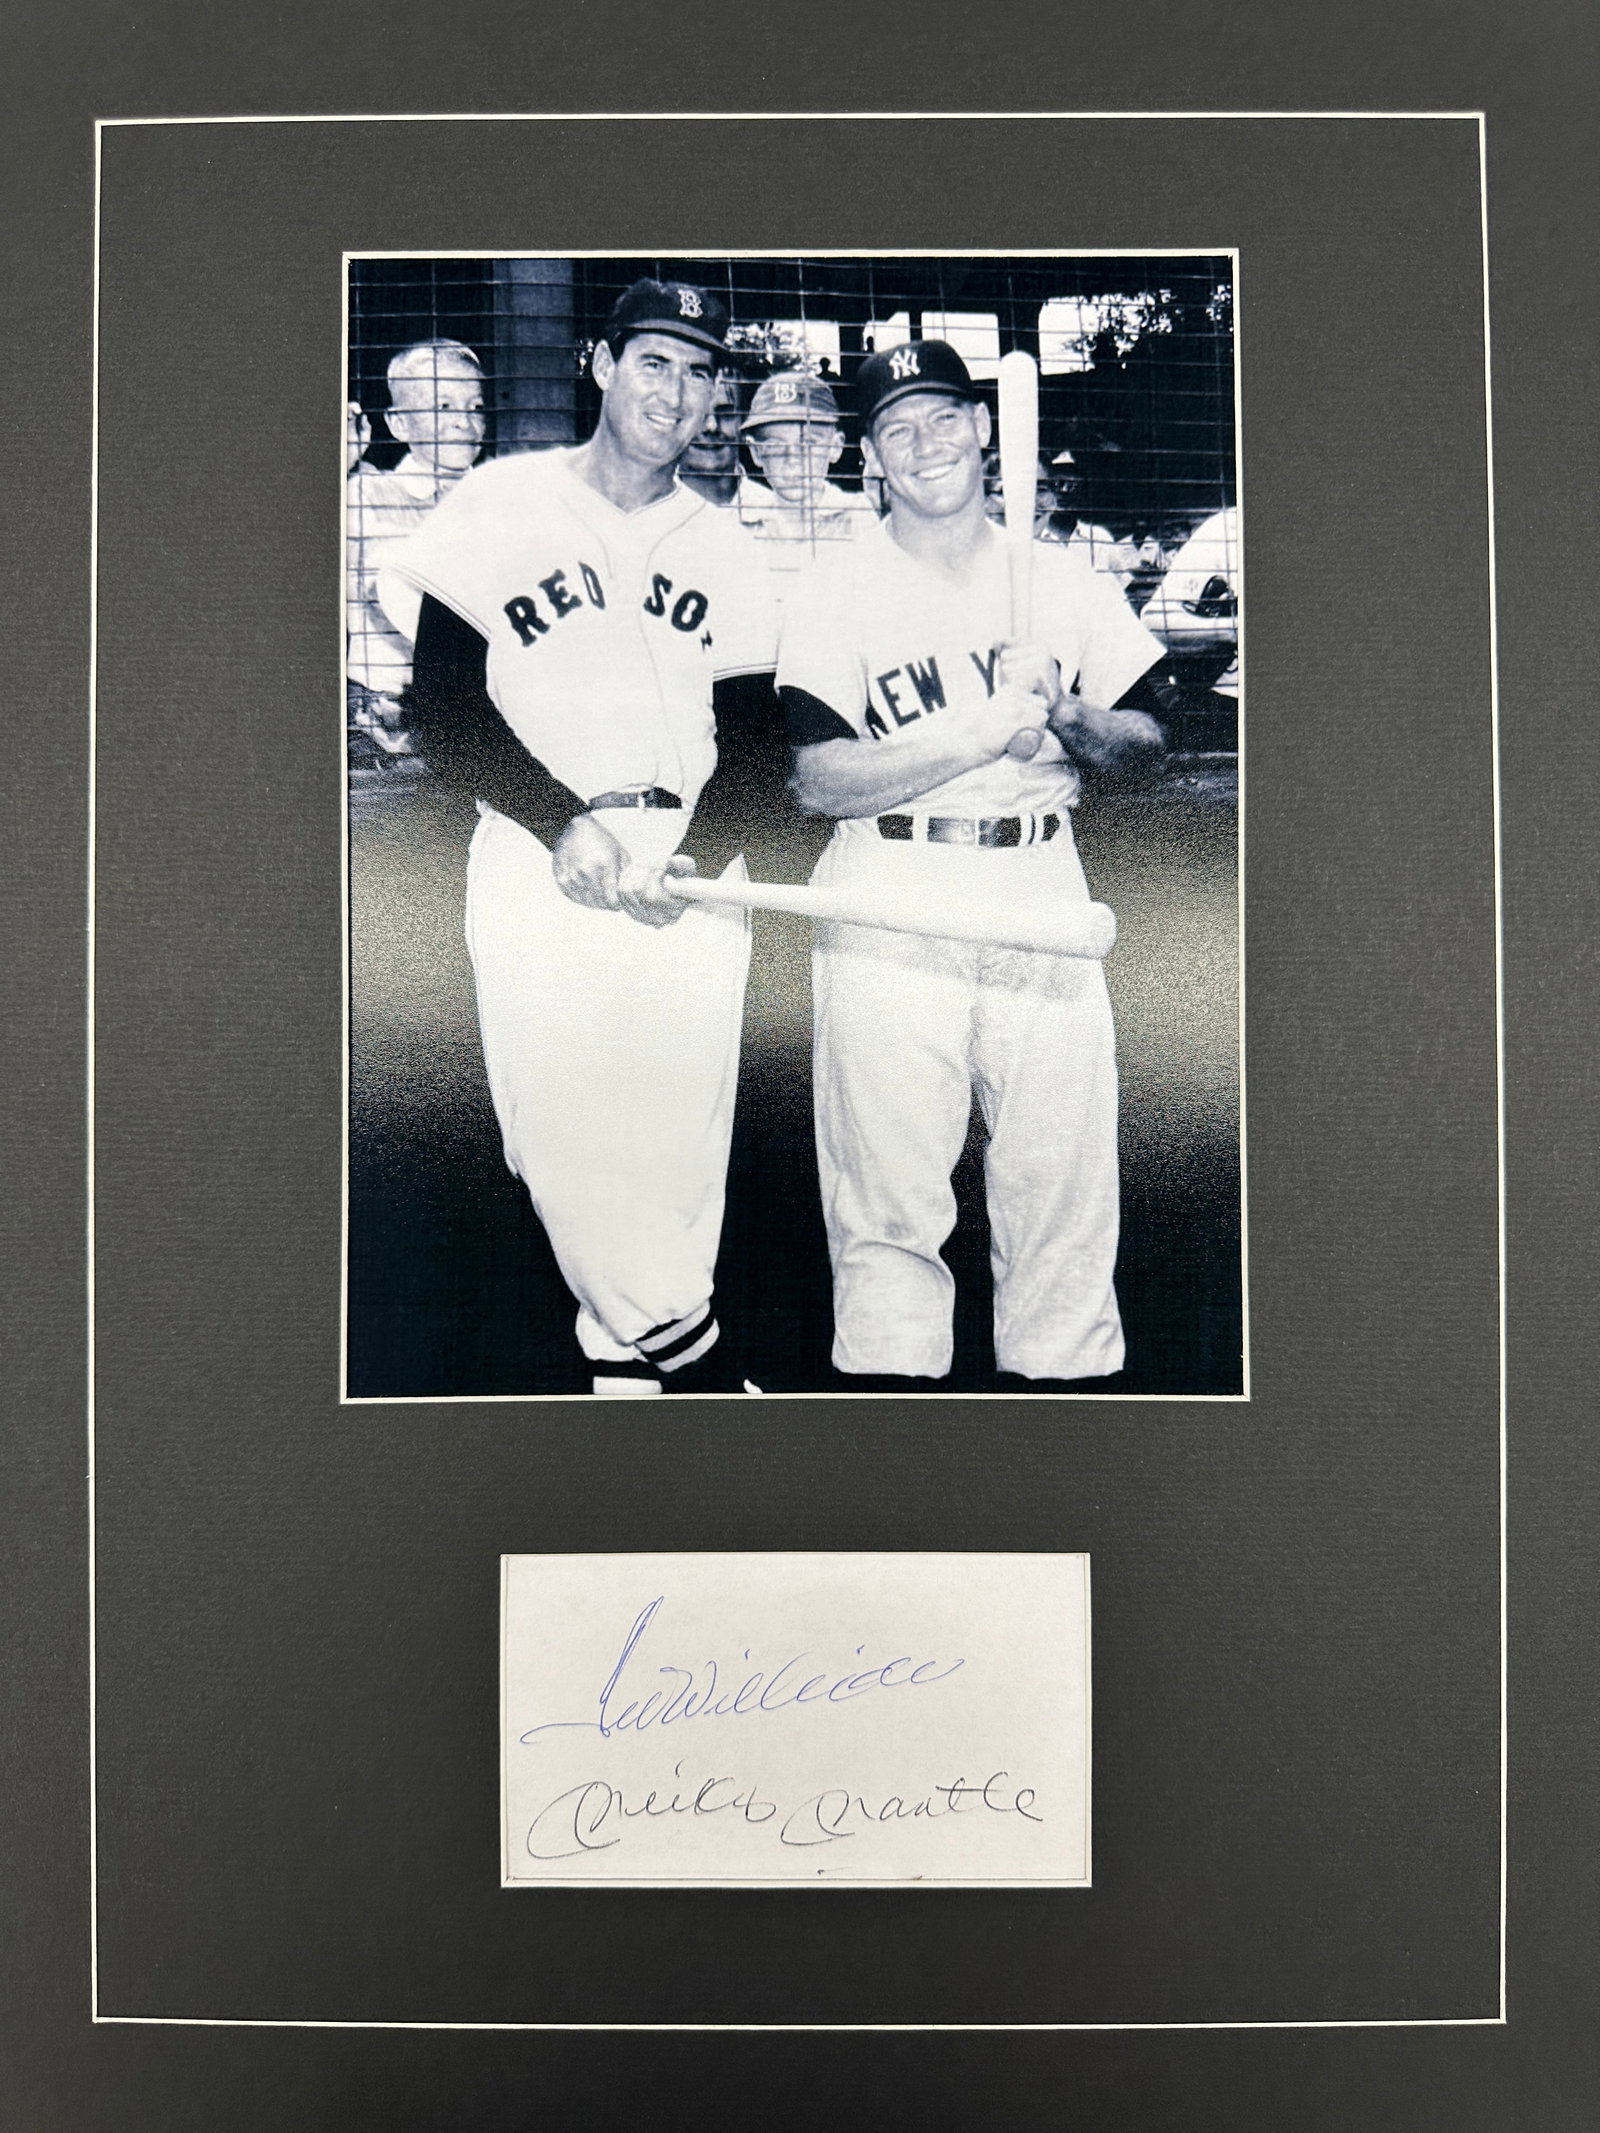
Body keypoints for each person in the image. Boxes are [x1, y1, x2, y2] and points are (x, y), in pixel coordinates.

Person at [387, 281, 781, 1397]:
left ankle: (638, 1399)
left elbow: (751, 743)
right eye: (657, 360)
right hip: (535, 850)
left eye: (703, 371)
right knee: (557, 1140)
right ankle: (706, 1370)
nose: (681, 389)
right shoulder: (497, 501)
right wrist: (563, 820)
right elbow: (443, 711)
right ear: (600, 364)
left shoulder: (729, 547)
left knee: (671, 1170)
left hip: (693, 864)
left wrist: (699, 862)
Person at [779, 341, 1168, 1391]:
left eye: (944, 416)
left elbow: (1149, 741)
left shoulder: (1061, 579)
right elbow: (817, 778)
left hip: (1041, 873)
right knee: (889, 1187)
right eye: (897, 428)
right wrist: (982, 733)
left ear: (983, 428)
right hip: (889, 885)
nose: (926, 442)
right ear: (869, 457)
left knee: (1061, 1175)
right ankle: (893, 1411)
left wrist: (1069, 716)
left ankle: (1066, 1399)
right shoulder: (834, 589)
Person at [346, 339, 488, 761]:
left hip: (485, 717)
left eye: (476, 407)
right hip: (385, 722)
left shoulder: (502, 501)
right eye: (443, 408)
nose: (465, 422)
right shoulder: (365, 494)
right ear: (399, 424)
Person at [735, 374, 872, 576]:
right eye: (775, 444)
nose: (792, 457)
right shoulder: (736, 525)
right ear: (756, 452)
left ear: (835, 446)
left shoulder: (862, 518)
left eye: (807, 442)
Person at [677, 372, 743, 506]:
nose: (711, 426)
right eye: (698, 413)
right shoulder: (646, 512)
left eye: (726, 412)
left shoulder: (776, 512)